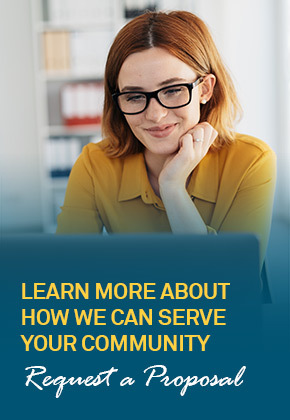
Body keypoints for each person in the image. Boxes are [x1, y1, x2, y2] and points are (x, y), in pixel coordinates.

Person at [56, 10, 276, 264]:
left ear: (205, 89)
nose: (156, 115)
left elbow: (234, 279)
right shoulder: (95, 164)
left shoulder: (251, 160)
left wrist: (173, 188)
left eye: (172, 90)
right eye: (135, 97)